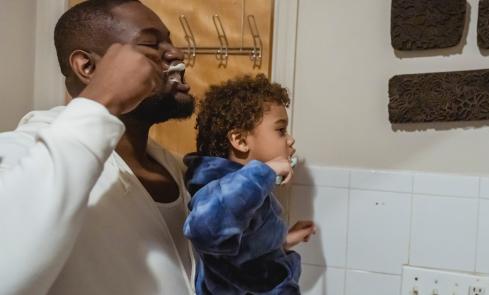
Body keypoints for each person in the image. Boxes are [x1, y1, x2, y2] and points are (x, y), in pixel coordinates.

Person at [0, 1, 197, 294]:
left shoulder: (176, 168)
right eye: (150, 43)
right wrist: (102, 100)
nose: (176, 54)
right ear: (88, 67)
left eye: (169, 41)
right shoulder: (20, 151)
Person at [183, 74, 316, 294]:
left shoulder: (249, 189)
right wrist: (266, 171)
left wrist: (285, 239)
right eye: (281, 130)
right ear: (241, 140)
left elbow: (247, 252)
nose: (290, 140)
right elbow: (205, 230)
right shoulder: (222, 187)